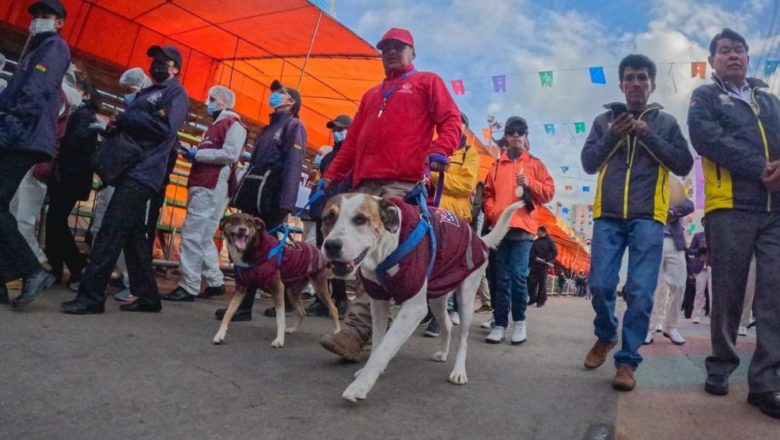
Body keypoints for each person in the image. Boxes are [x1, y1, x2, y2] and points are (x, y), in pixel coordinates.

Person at [318, 27, 461, 361]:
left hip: (403, 184)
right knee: (360, 254)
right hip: (362, 185)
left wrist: (440, 149)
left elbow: (452, 120)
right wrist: (330, 177)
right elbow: (351, 142)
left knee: (380, 257)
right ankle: (371, 326)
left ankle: (356, 331)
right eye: (385, 49)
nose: (391, 53)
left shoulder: (428, 81)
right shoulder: (371, 95)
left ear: (413, 53)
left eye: (399, 48)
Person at [581, 54, 693, 392]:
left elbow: (683, 163)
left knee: (642, 292)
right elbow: (588, 163)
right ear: (621, 84)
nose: (635, 84)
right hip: (608, 215)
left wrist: (647, 135)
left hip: (648, 217)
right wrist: (613, 136)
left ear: (652, 84)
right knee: (600, 285)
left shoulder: (667, 123)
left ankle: (627, 361)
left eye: (642, 78)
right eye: (629, 78)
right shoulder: (604, 121)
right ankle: (605, 334)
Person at [687, 28, 780, 419]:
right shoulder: (705, 96)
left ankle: (766, 383)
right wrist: (760, 168)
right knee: (727, 291)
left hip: (775, 209)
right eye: (724, 51)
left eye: (739, 49)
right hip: (730, 207)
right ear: (712, 61)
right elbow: (706, 138)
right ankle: (721, 366)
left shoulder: (770, 100)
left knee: (775, 295)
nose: (734, 55)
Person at [61, 45, 189, 314]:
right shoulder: (151, 92)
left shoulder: (175, 93)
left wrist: (129, 117)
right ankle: (148, 296)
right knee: (132, 236)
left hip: (144, 170)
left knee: (111, 231)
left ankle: (92, 296)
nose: (156, 64)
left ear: (175, 67)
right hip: (131, 167)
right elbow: (139, 126)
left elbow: (165, 128)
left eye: (163, 61)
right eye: (154, 60)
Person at [214, 79, 307, 321]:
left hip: (272, 197)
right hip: (255, 193)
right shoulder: (268, 128)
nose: (274, 95)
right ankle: (243, 303)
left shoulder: (293, 126)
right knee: (245, 248)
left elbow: (293, 166)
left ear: (291, 102)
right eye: (274, 92)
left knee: (266, 251)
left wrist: (286, 202)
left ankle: (281, 299)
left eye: (281, 93)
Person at [0, 0, 70, 308]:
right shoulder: (37, 49)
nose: (38, 20)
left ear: (59, 22)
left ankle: (30, 270)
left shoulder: (54, 48)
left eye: (46, 16)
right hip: (18, 133)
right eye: (36, 16)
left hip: (23, 136)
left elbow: (34, 92)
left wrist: (8, 116)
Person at [163, 85, 246, 302]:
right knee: (204, 236)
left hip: (212, 184)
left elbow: (230, 154)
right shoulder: (214, 127)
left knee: (192, 233)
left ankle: (188, 285)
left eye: (213, 99)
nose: (208, 102)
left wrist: (198, 154)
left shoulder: (232, 124)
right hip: (205, 183)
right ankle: (215, 281)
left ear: (225, 102)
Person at [483, 116, 555, 344]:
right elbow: (487, 194)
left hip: (524, 229)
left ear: (526, 136)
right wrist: (494, 213)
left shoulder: (535, 164)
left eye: (520, 131)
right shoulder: (496, 166)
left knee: (517, 276)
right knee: (500, 278)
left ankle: (520, 322)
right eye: (512, 130)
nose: (516, 134)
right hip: (500, 229)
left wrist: (530, 184)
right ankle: (500, 323)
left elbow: (549, 192)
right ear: (506, 135)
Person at [91, 67, 152, 302]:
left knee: (124, 229)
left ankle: (130, 282)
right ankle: (124, 281)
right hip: (121, 173)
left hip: (134, 176)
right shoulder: (134, 111)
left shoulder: (146, 113)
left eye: (130, 90)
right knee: (118, 228)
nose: (127, 95)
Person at [424, 112, 481, 335]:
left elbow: (466, 185)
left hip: (454, 218)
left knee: (446, 268)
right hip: (430, 214)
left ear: (466, 129)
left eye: (460, 124)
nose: (455, 127)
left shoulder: (470, 153)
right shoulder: (435, 148)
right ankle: (428, 311)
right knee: (428, 263)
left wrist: (436, 177)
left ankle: (441, 316)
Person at [45, 79, 99, 289]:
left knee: (56, 221)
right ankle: (57, 267)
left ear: (86, 95)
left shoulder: (83, 116)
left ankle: (76, 267)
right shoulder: (80, 115)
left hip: (70, 178)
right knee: (54, 221)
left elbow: (73, 144)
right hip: (69, 177)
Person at [306, 114, 353, 318]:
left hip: (342, 213)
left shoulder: (354, 156)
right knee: (322, 257)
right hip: (324, 212)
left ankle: (341, 298)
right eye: (334, 130)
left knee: (339, 256)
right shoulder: (327, 158)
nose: (337, 133)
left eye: (341, 129)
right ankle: (321, 298)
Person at [644, 196, 694, 346]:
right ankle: (649, 328)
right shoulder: (647, 188)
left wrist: (671, 211)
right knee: (653, 287)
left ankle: (671, 326)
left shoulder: (673, 189)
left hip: (676, 242)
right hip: (653, 240)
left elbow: (689, 205)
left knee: (679, 285)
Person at [527, 226, 557, 308]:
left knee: (542, 284)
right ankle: (532, 298)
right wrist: (533, 258)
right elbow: (531, 252)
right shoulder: (535, 241)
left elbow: (554, 252)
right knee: (531, 282)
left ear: (542, 232)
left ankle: (541, 301)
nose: (537, 232)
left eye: (538, 231)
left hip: (544, 265)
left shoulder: (550, 241)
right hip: (535, 264)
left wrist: (546, 258)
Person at [688, 230, 710, 323]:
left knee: (713, 293)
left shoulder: (718, 233)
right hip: (700, 266)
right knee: (699, 292)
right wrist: (700, 249)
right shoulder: (698, 235)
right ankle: (697, 314)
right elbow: (690, 251)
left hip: (713, 265)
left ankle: (714, 316)